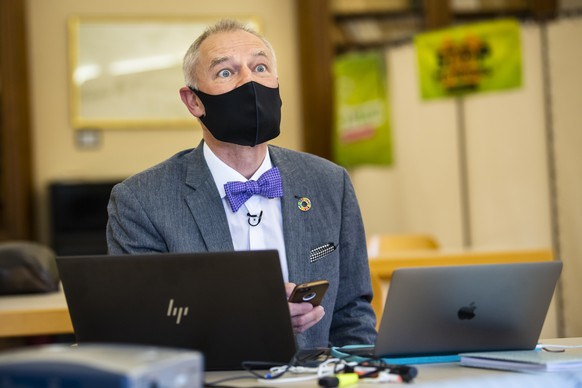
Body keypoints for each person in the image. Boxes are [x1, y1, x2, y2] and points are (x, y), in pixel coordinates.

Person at [106, 19, 377, 350]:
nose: (249, 81)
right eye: (225, 72)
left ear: (277, 84)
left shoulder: (329, 183)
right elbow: (141, 324)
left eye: (260, 67)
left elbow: (353, 313)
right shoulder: (142, 200)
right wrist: (248, 315)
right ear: (193, 101)